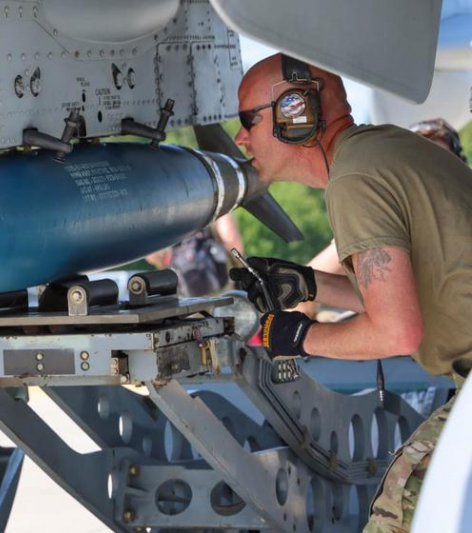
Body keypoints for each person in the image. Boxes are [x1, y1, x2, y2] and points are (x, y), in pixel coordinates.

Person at [229, 54, 472, 532]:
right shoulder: (378, 152)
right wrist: (310, 283)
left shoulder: (355, 178)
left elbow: (397, 330)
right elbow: (405, 296)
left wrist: (297, 337)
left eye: (247, 121)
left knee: (401, 514)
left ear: (293, 113)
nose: (240, 138)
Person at [297, 118, 468, 318]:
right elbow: (302, 295)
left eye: (437, 166)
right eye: (416, 169)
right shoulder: (383, 224)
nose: (427, 180)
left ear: (460, 166)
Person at [146, 214, 244, 296]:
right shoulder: (207, 198)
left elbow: (151, 255)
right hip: (223, 292)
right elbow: (229, 235)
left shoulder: (160, 210)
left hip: (188, 302)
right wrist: (239, 267)